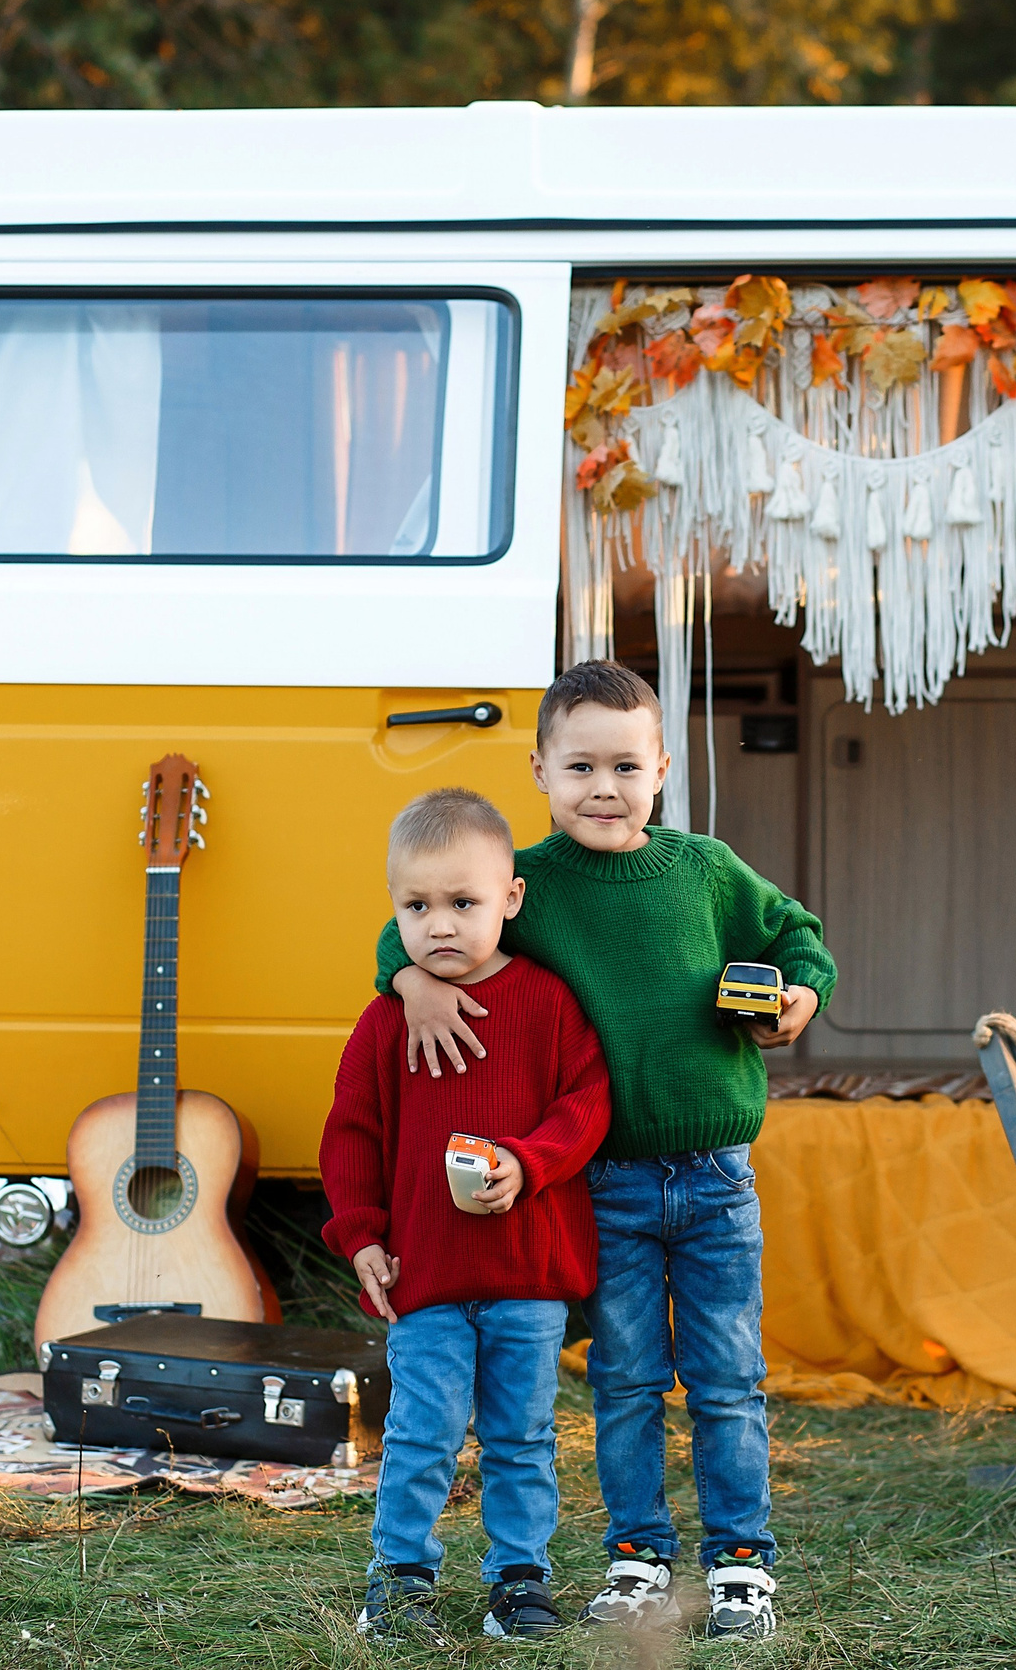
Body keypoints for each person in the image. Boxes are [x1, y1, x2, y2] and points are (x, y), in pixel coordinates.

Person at [375, 661, 836, 1641]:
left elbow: (797, 934)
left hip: (714, 1178)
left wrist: (798, 995)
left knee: (725, 1376)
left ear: (661, 768)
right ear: (539, 769)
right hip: (603, 1181)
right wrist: (406, 985)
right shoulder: (526, 888)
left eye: (625, 766)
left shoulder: (705, 870)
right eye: (578, 766)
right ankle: (636, 1559)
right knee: (625, 1379)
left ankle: (741, 1564)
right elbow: (417, 921)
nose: (602, 788)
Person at [321, 787, 612, 1643]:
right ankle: (400, 1577)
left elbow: (587, 1103)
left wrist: (529, 1161)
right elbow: (351, 1136)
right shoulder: (385, 1023)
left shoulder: (548, 1003)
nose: (440, 925)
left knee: (523, 1435)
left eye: (463, 903)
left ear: (509, 900)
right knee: (421, 1434)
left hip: (527, 1273)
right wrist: (363, 1236)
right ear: (394, 910)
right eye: (417, 906)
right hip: (428, 1274)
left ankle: (519, 1578)